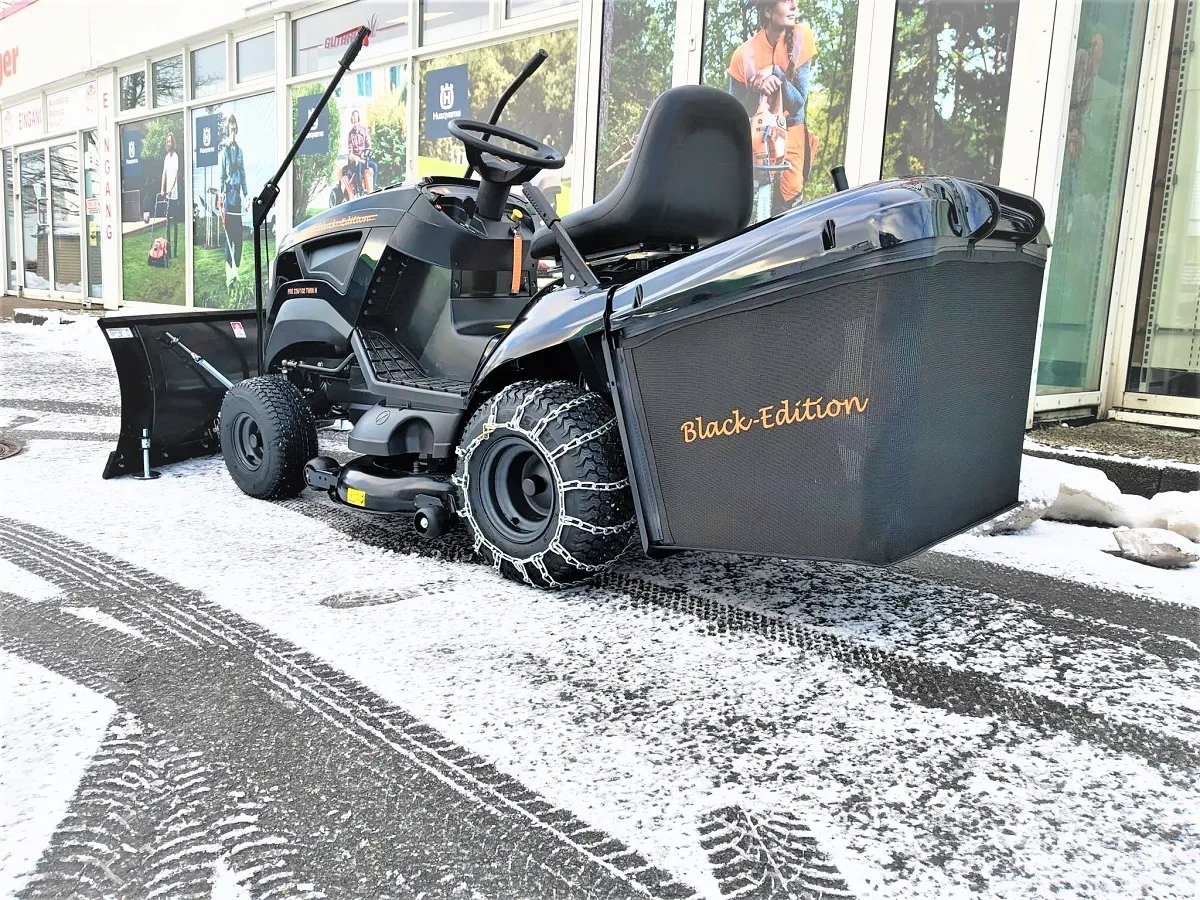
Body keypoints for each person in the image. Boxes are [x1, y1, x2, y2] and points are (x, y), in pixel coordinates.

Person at [727, 0, 819, 214]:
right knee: (752, 214)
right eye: (786, 1)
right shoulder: (743, 55)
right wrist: (756, 90)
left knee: (789, 214)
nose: (794, 6)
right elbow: (735, 112)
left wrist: (776, 72)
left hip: (793, 140)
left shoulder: (801, 38)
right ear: (768, 11)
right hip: (756, 143)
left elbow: (797, 103)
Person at [219, 114, 247, 288]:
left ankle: (236, 270)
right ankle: (229, 275)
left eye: (235, 129)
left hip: (237, 198)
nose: (233, 132)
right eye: (231, 129)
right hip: (228, 199)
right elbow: (222, 176)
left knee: (239, 239)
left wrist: (247, 195)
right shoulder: (225, 152)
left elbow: (243, 175)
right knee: (229, 238)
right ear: (227, 131)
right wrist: (221, 199)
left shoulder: (240, 152)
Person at [343, 109, 378, 200]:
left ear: (358, 118)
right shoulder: (350, 134)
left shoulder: (364, 130)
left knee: (375, 166)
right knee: (358, 165)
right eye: (353, 117)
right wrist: (356, 158)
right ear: (352, 120)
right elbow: (350, 153)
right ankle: (361, 190)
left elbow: (368, 144)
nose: (355, 119)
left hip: (364, 159)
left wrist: (368, 150)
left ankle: (374, 187)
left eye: (356, 117)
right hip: (355, 162)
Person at [159, 131, 180, 255]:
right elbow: (164, 174)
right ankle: (169, 250)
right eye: (167, 141)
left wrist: (171, 189)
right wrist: (162, 189)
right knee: (167, 223)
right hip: (167, 195)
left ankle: (175, 250)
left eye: (170, 141)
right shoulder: (166, 157)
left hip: (174, 194)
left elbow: (175, 175)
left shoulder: (175, 156)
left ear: (173, 143)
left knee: (175, 223)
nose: (168, 143)